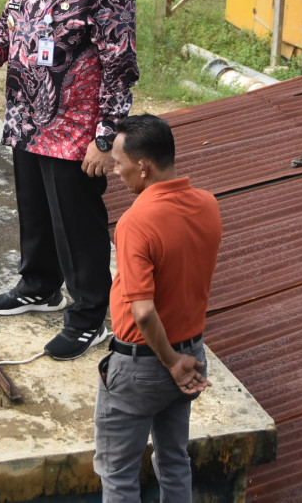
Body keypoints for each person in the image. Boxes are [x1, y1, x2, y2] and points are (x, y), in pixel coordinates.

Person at [0, 0, 138, 360]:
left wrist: (105, 139)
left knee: (76, 225)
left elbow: (119, 69)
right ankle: (39, 286)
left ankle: (87, 316)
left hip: (75, 131)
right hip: (27, 117)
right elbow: (11, 19)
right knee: (35, 210)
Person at [94, 114, 222, 503]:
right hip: (191, 353)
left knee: (117, 471)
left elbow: (144, 312)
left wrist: (169, 361)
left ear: (143, 167)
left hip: (146, 364)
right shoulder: (207, 204)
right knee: (173, 459)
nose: (115, 171)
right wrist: (181, 362)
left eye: (118, 163)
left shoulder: (136, 222)